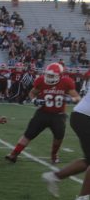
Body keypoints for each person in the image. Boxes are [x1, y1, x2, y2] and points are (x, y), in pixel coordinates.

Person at [5, 62, 81, 164]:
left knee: (59, 137)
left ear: (60, 75)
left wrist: (70, 99)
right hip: (42, 113)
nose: (49, 77)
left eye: (51, 75)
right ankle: (14, 154)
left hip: (58, 115)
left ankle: (54, 155)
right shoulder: (41, 80)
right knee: (28, 134)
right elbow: (32, 93)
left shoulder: (66, 82)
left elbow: (78, 98)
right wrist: (34, 100)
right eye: (48, 74)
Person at [42, 69, 90, 198]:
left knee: (88, 160)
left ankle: (54, 176)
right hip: (84, 117)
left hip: (83, 116)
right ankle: (83, 197)